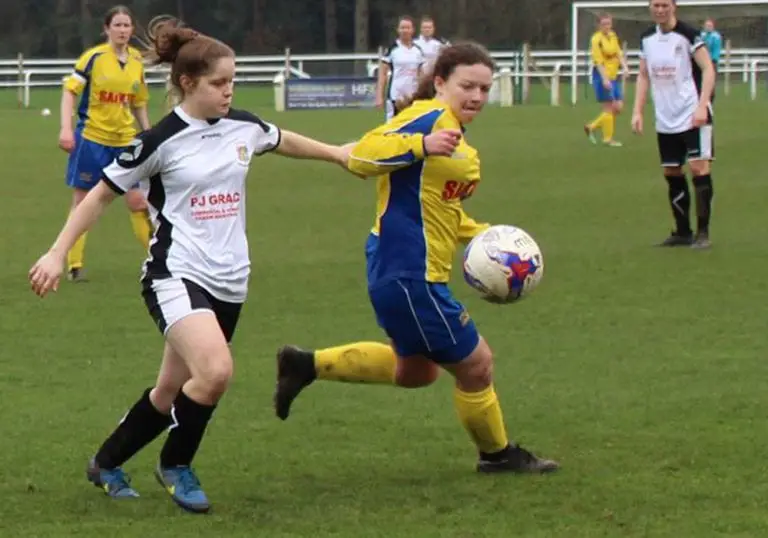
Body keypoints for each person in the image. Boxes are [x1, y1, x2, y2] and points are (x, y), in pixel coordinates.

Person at [29, 18, 351, 513]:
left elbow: (282, 138)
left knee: (170, 390)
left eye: (233, 82)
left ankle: (106, 462)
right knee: (216, 371)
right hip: (174, 274)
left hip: (231, 281)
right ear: (187, 83)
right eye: (219, 83)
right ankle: (176, 464)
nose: (229, 92)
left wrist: (337, 155)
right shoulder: (159, 141)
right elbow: (98, 197)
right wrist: (56, 251)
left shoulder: (242, 126)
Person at [273, 42, 559, 475]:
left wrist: (488, 238)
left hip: (411, 270)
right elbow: (363, 155)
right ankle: (497, 455)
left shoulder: (457, 138)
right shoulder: (426, 118)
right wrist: (423, 144)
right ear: (441, 82)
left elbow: (442, 208)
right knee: (477, 365)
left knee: (417, 372)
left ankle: (305, 364)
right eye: (468, 86)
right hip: (409, 271)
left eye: (485, 88)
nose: (477, 96)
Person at [60, 5, 154, 282]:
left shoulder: (137, 61)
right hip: (92, 139)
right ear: (107, 29)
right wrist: (66, 129)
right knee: (83, 201)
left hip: (125, 141)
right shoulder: (94, 58)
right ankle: (74, 264)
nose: (123, 30)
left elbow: (138, 103)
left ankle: (157, 260)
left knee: (138, 201)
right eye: (117, 25)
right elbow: (69, 92)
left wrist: (148, 134)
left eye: (127, 26)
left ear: (132, 30)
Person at [631, 0, 716, 249]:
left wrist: (702, 106)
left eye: (664, 5)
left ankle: (703, 234)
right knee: (671, 171)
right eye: (655, 5)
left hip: (692, 113)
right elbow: (644, 75)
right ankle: (682, 232)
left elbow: (708, 69)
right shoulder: (647, 38)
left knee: (699, 168)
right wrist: (637, 110)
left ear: (674, 6)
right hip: (665, 118)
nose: (660, 9)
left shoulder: (688, 35)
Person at [584, 13, 628, 147]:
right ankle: (608, 139)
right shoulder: (596, 39)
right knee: (609, 107)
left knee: (618, 107)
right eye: (604, 24)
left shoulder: (613, 36)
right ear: (598, 25)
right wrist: (604, 79)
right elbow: (598, 61)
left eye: (608, 23)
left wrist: (625, 67)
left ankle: (592, 126)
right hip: (602, 76)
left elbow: (618, 53)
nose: (607, 26)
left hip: (613, 76)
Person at [376, 15, 425, 121]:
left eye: (408, 28)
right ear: (398, 30)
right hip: (395, 95)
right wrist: (379, 96)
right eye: (402, 28)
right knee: (392, 127)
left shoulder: (418, 51)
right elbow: (383, 74)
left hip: (413, 96)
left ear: (412, 30)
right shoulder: (392, 49)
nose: (405, 31)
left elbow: (421, 75)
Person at [700, 18, 722, 102]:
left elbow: (716, 50)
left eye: (710, 26)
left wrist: (713, 60)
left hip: (711, 62)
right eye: (707, 26)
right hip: (702, 61)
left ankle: (710, 98)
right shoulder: (701, 36)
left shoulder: (716, 36)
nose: (708, 27)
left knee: (710, 81)